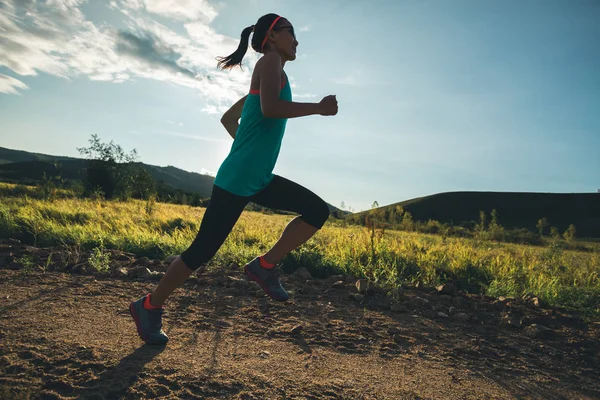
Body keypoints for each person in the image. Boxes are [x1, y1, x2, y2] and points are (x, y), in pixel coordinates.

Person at [129, 13, 338, 345]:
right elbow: (270, 109)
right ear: (271, 38)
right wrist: (318, 108)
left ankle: (265, 266)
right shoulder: (270, 62)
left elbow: (229, 118)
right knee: (200, 253)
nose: (296, 40)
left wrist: (245, 146)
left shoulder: (273, 73)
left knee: (316, 211)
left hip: (256, 177)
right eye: (291, 33)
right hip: (239, 178)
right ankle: (149, 305)